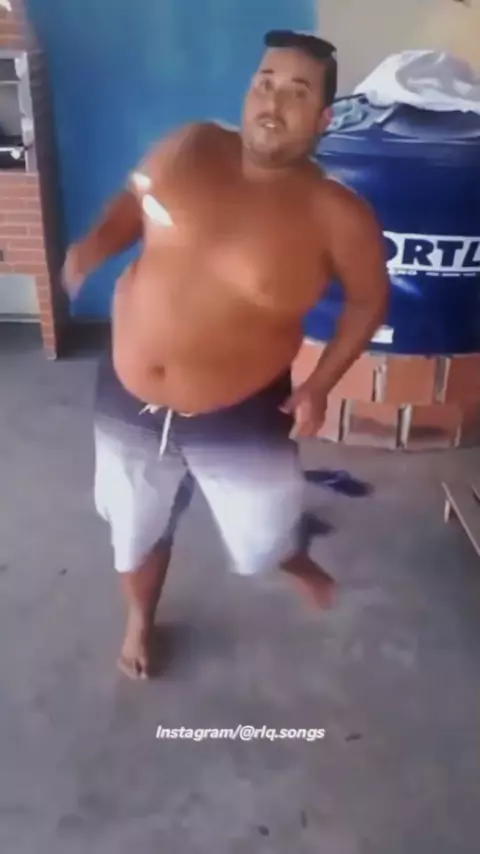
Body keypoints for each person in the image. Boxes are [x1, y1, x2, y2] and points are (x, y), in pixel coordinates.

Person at [63, 31, 389, 680]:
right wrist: (96, 243)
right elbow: (137, 199)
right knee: (133, 529)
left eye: (297, 92)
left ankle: (291, 555)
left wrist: (321, 383)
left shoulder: (336, 213)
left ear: (324, 118)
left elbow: (368, 301)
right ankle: (140, 619)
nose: (274, 102)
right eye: (265, 83)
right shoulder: (189, 147)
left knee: (261, 536)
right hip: (127, 393)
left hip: (240, 411)